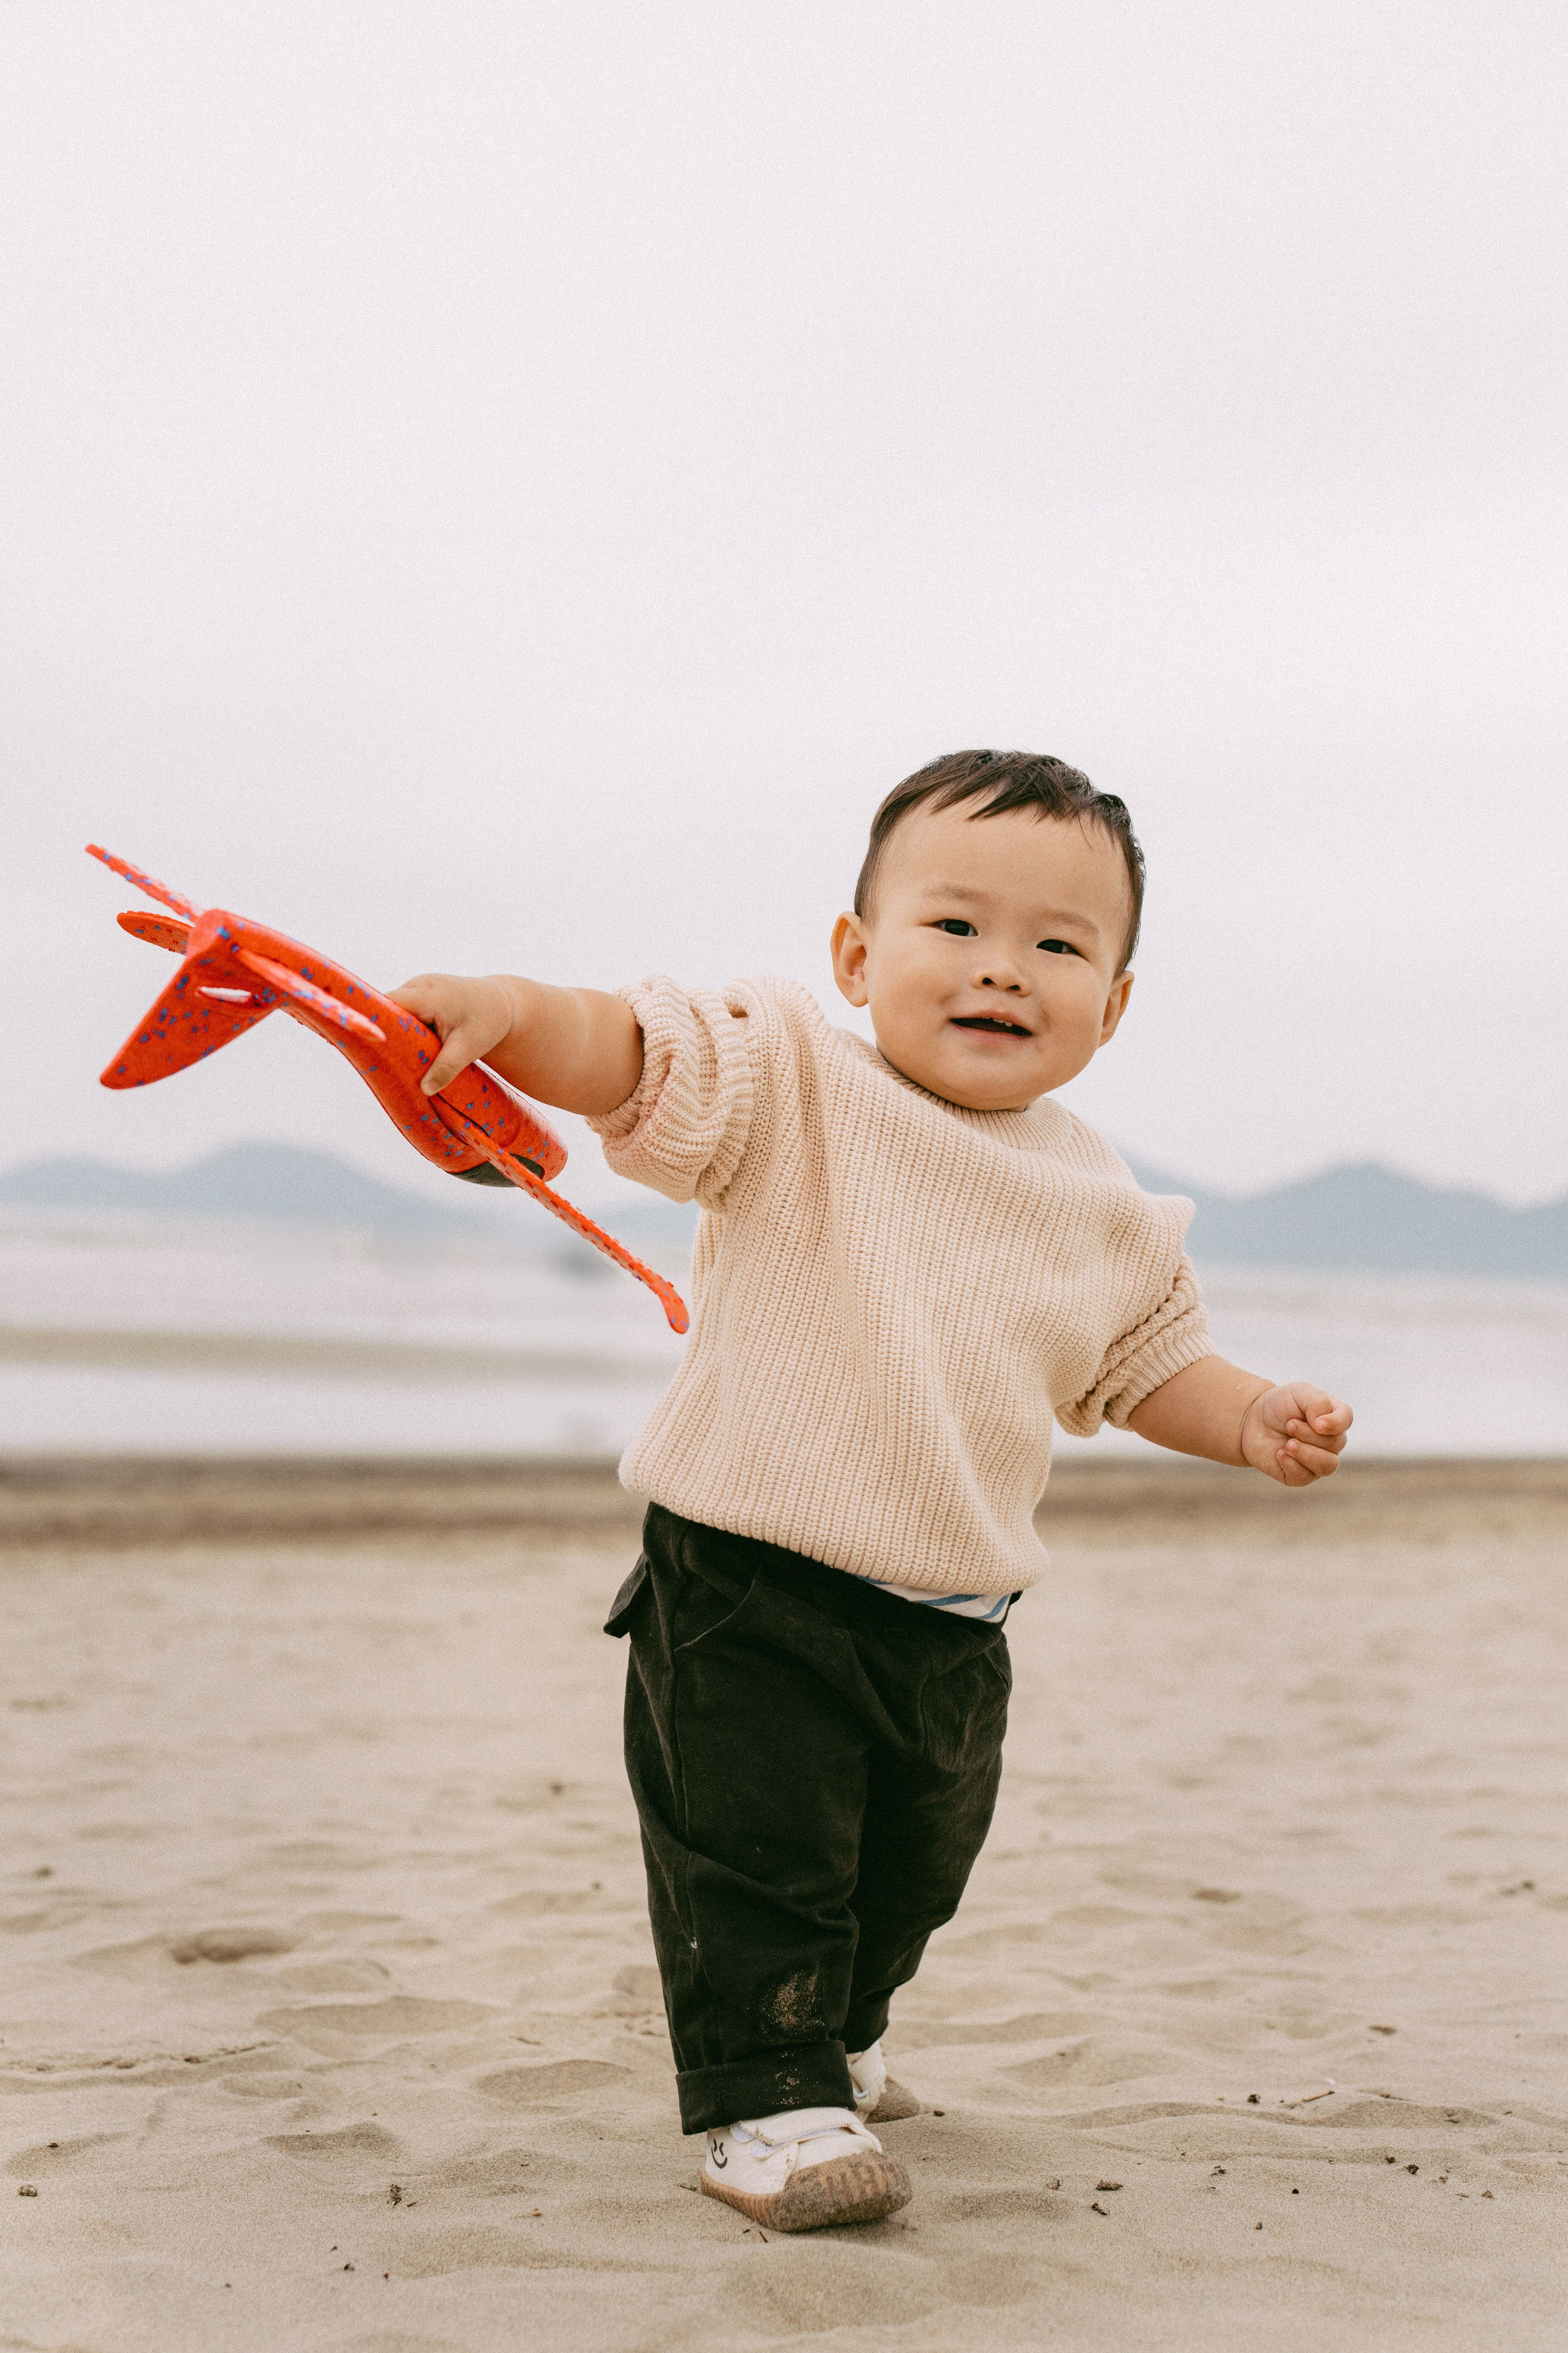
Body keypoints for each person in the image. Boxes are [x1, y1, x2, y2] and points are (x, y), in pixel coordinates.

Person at [391, 749, 1353, 2233]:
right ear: (855, 955)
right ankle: (760, 2103)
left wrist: (1249, 1420)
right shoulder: (793, 1084)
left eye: (1056, 944)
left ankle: (834, 2032)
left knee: (911, 1866)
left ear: (1113, 1001)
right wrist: (521, 1014)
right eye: (953, 926)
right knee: (759, 1856)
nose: (1001, 970)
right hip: (749, 1576)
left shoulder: (1102, 1201)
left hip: (953, 1615)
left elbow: (1146, 1357)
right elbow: (638, 1053)